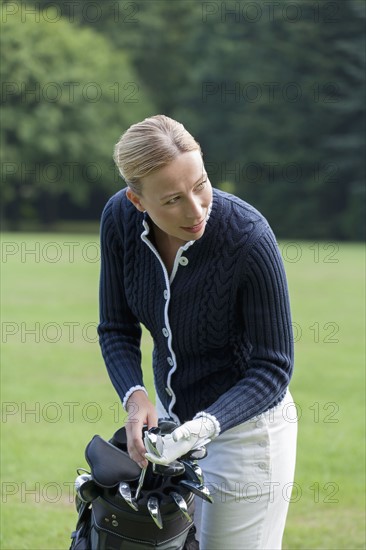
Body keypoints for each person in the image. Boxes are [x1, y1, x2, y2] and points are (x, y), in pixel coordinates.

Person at [97, 114, 297, 549]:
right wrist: (135, 398)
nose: (195, 209)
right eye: (172, 200)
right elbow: (116, 326)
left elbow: (273, 367)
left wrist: (205, 426)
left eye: (200, 185)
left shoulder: (248, 236)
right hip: (174, 432)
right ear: (137, 200)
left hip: (248, 433)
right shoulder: (119, 220)